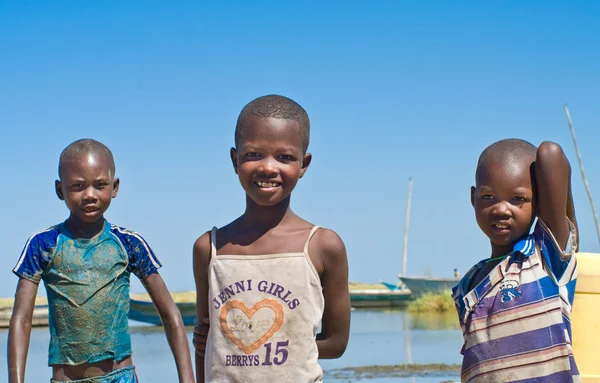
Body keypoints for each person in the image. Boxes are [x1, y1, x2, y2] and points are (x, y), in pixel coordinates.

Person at [192, 95, 351, 382]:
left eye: (285, 157)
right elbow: (205, 343)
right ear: (234, 159)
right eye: (253, 154)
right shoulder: (210, 248)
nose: (268, 167)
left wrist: (262, 349)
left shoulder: (323, 246)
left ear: (304, 164)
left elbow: (337, 343)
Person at [8, 139, 194, 383]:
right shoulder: (43, 244)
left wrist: (188, 379)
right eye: (77, 186)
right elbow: (21, 321)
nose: (90, 195)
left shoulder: (128, 243)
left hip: (120, 377)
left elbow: (170, 316)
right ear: (59, 189)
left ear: (114, 187)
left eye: (100, 185)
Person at [452, 139, 580, 382]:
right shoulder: (468, 283)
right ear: (473, 198)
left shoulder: (546, 257)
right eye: (488, 196)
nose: (501, 209)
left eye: (518, 199)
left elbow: (550, 155)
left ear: (541, 200)